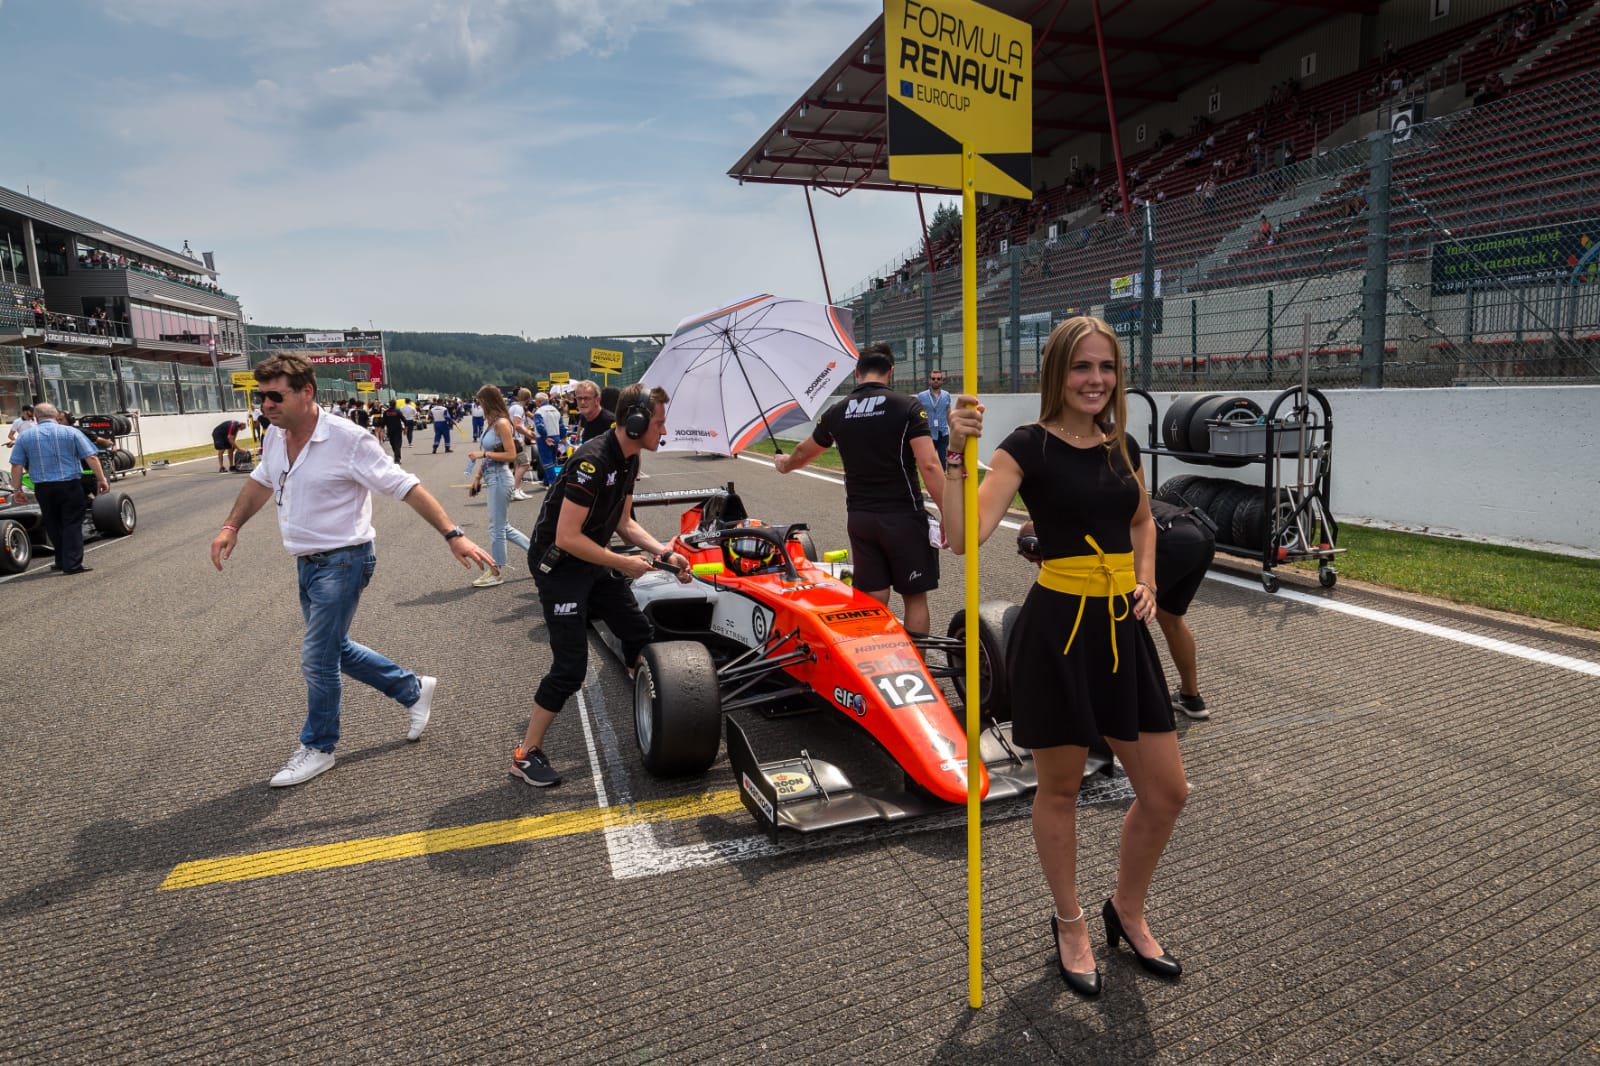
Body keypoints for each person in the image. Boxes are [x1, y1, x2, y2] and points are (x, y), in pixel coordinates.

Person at [941, 315, 1187, 998]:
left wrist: (1147, 580)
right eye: (1082, 367)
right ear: (1057, 373)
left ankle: (1126, 909)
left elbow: (1142, 521)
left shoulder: (1121, 444)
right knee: (1061, 789)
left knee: (1167, 792)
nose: (1096, 380)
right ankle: (1070, 922)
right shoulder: (1025, 448)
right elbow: (965, 537)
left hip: (1122, 629)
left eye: (1106, 367)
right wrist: (956, 454)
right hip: (1059, 632)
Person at [209, 353, 494, 787]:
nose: (265, 404)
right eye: (260, 395)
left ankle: (319, 747)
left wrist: (453, 534)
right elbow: (262, 481)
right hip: (307, 561)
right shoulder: (275, 437)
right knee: (333, 650)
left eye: (274, 395)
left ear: (307, 392)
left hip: (345, 560)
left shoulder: (349, 439)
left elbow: (406, 485)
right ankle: (412, 689)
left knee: (316, 658)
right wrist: (232, 525)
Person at [510, 383, 690, 788]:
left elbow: (624, 522)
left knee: (639, 634)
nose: (664, 429)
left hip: (591, 557)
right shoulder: (592, 460)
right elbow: (566, 538)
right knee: (570, 669)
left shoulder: (630, 457)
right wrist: (624, 563)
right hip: (560, 567)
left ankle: (650, 711)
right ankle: (525, 755)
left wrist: (664, 553)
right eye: (659, 422)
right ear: (637, 421)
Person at [773, 342, 945, 637]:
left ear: (857, 372)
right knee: (914, 598)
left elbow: (803, 452)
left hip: (861, 520)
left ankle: (875, 670)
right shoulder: (908, 406)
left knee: (872, 599)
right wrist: (951, 517)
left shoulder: (837, 412)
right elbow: (929, 466)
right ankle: (919, 676)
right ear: (890, 372)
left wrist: (784, 464)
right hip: (903, 516)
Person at [1018, 495, 1217, 720]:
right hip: (1199, 536)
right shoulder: (1082, 507)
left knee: (1118, 618)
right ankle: (1190, 697)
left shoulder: (1078, 525)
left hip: (1168, 539)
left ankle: (1128, 712)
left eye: (1037, 558)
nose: (1038, 565)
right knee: (1170, 618)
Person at [8, 402, 109, 574]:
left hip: (43, 488)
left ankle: (61, 560)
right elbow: (91, 457)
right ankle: (72, 564)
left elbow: (16, 465)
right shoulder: (71, 432)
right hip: (69, 485)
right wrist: (101, 479)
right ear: (55, 416)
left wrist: (17, 490)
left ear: (35, 417)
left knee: (53, 523)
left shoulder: (25, 436)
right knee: (72, 522)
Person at [465, 385, 531, 588]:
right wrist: (477, 476)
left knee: (496, 528)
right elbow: (492, 452)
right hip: (493, 476)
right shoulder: (492, 423)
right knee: (503, 527)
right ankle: (537, 551)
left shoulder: (502, 423)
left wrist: (483, 455)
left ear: (488, 401)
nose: (479, 404)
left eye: (480, 400)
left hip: (500, 477)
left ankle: (496, 571)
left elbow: (511, 455)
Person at [915, 370, 952, 470]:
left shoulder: (946, 395)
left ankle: (943, 483)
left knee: (943, 460)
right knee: (929, 463)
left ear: (942, 381)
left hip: (943, 433)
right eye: (933, 378)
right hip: (928, 433)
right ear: (929, 380)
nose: (936, 380)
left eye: (938, 379)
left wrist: (952, 429)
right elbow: (917, 414)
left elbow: (948, 412)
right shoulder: (921, 396)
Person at [532, 391, 564, 487]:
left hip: (544, 438)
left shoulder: (539, 412)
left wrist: (545, 437)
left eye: (536, 400)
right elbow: (561, 425)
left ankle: (553, 483)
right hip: (556, 436)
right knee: (553, 460)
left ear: (539, 401)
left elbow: (540, 426)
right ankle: (546, 480)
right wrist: (563, 437)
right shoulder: (555, 410)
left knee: (546, 461)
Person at [509, 388, 535, 500]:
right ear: (528, 398)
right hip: (517, 439)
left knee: (518, 465)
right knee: (525, 464)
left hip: (515, 438)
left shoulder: (514, 406)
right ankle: (514, 490)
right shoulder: (518, 408)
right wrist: (528, 433)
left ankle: (518, 489)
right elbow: (517, 425)